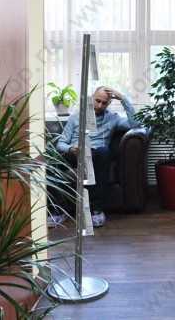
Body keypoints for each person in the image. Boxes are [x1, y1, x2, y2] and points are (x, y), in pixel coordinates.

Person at [54, 86, 139, 228]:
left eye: (104, 103)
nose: (99, 106)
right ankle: (57, 211)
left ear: (109, 104)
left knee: (104, 152)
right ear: (91, 99)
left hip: (96, 156)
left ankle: (96, 210)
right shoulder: (76, 117)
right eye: (97, 101)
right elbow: (60, 143)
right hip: (76, 154)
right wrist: (71, 149)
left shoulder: (113, 119)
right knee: (53, 159)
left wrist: (123, 99)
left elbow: (135, 124)